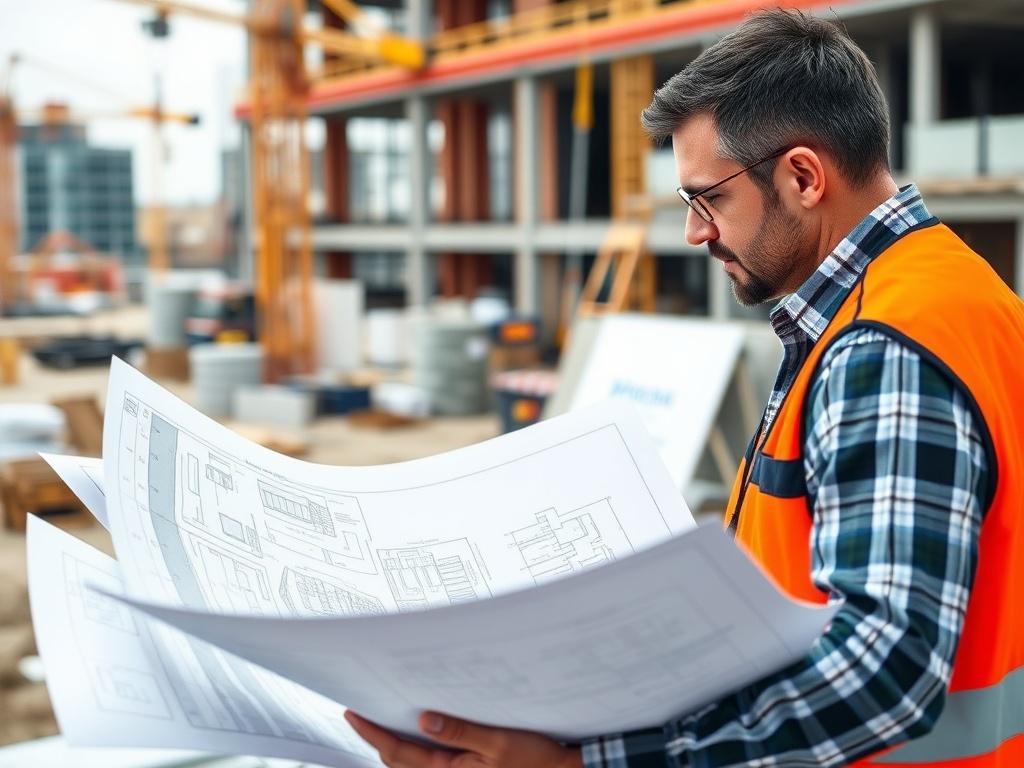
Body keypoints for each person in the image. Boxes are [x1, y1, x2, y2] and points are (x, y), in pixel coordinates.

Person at [344, 9, 1024, 767]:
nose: (697, 234)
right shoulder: (952, 290)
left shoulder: (885, 347)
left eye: (709, 199)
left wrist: (584, 764)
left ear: (802, 175)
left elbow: (881, 670)